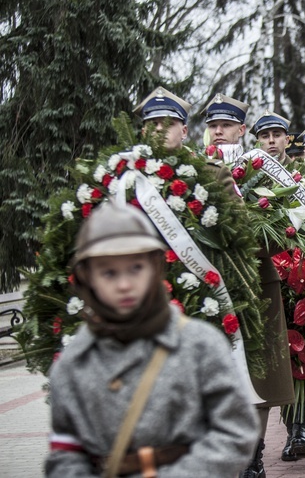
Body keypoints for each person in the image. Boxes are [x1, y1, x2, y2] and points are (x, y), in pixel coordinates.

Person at [46, 202, 259, 477]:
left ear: (155, 268)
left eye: (135, 268)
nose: (124, 284)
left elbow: (236, 432)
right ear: (88, 278)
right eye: (108, 272)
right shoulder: (73, 363)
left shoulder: (200, 344)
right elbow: (65, 452)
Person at [243, 110, 296, 472]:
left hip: (295, 277)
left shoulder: (301, 176)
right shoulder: (240, 173)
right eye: (266, 135)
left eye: (278, 134)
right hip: (244, 282)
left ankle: (299, 428)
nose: (272, 140)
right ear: (255, 139)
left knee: (293, 363)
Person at [203, 93, 249, 167]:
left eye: (226, 125)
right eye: (213, 126)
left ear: (241, 130)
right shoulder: (195, 165)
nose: (218, 131)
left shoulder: (253, 166)